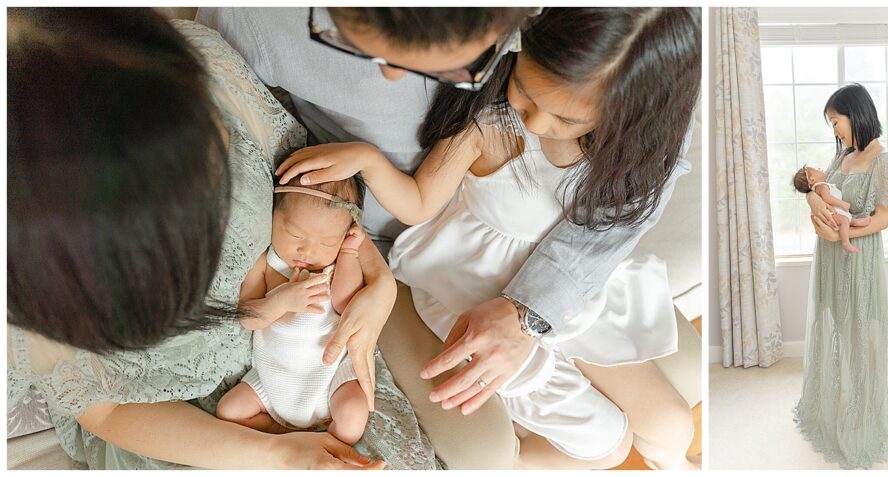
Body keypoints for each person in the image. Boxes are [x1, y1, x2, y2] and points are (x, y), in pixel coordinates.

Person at [7, 8, 435, 469]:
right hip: (183, 425)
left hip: (309, 363)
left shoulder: (196, 68)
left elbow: (316, 202)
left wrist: (379, 281)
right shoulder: (37, 265)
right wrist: (275, 453)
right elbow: (105, 408)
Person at [276, 7, 701, 469]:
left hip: (573, 296)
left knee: (672, 424)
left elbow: (604, 237)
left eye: (567, 120)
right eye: (526, 94)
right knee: (606, 445)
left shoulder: (624, 148)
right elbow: (420, 202)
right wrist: (367, 160)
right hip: (471, 290)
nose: (536, 124)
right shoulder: (490, 123)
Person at [793, 83, 888, 469]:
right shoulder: (842, 156)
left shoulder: (884, 161)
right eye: (830, 123)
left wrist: (838, 232)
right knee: (841, 328)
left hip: (858, 260)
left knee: (864, 334)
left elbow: (882, 219)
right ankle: (846, 400)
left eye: (836, 120)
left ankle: (867, 409)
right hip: (830, 260)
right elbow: (818, 192)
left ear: (855, 113)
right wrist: (813, 199)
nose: (834, 130)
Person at [215, 178, 371, 446]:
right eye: (296, 235)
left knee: (354, 411)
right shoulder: (266, 263)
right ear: (274, 216)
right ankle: (288, 437)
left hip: (329, 381)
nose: (308, 251)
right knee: (228, 411)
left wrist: (348, 254)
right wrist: (282, 301)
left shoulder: (332, 268)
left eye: (326, 242)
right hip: (272, 380)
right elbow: (248, 318)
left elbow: (347, 305)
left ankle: (332, 444)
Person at [792, 164, 872, 253]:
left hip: (835, 212)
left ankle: (855, 222)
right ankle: (845, 242)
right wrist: (843, 204)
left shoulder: (821, 186)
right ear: (811, 180)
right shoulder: (821, 186)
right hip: (831, 214)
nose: (819, 167)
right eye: (816, 169)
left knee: (846, 220)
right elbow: (827, 198)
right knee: (844, 220)